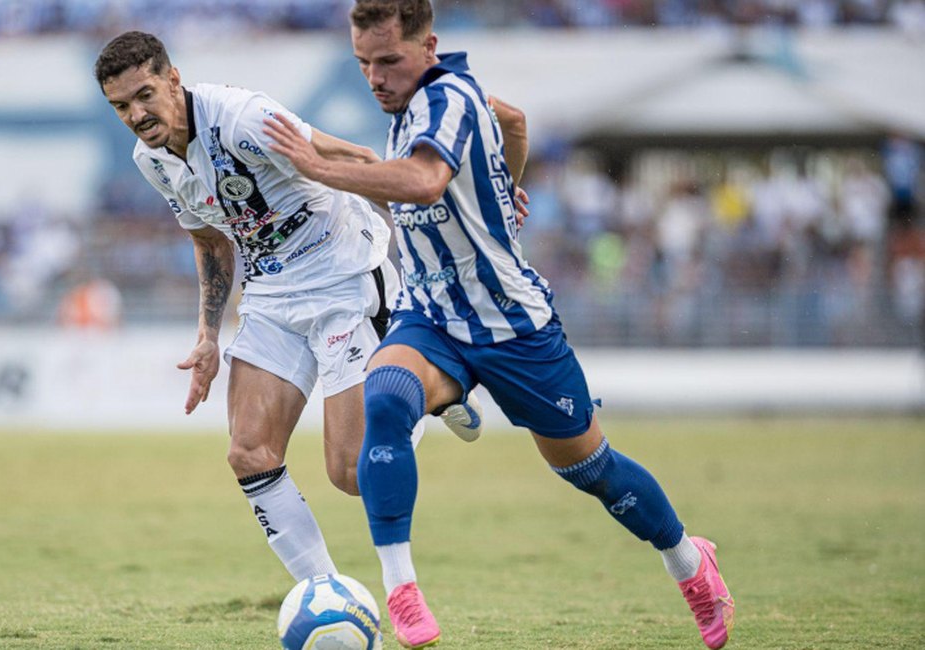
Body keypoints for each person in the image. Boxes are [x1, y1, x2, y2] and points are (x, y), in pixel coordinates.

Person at [262, 1, 735, 648]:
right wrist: (499, 186)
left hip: (513, 327)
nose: (375, 77)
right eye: (363, 63)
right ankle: (401, 588)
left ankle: (689, 562)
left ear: (428, 45)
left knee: (592, 470)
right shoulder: (415, 105)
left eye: (389, 61)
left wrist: (320, 169)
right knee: (386, 396)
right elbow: (512, 121)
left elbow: (427, 182)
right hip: (431, 317)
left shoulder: (449, 96)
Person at [93, 31, 483, 586]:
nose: (136, 114)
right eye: (121, 106)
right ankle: (327, 595)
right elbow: (210, 242)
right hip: (273, 296)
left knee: (351, 473)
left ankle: (434, 382)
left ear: (173, 78)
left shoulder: (242, 118)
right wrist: (207, 335)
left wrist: (425, 256)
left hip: (344, 276)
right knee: (249, 452)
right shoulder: (152, 161)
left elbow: (359, 158)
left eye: (144, 95)